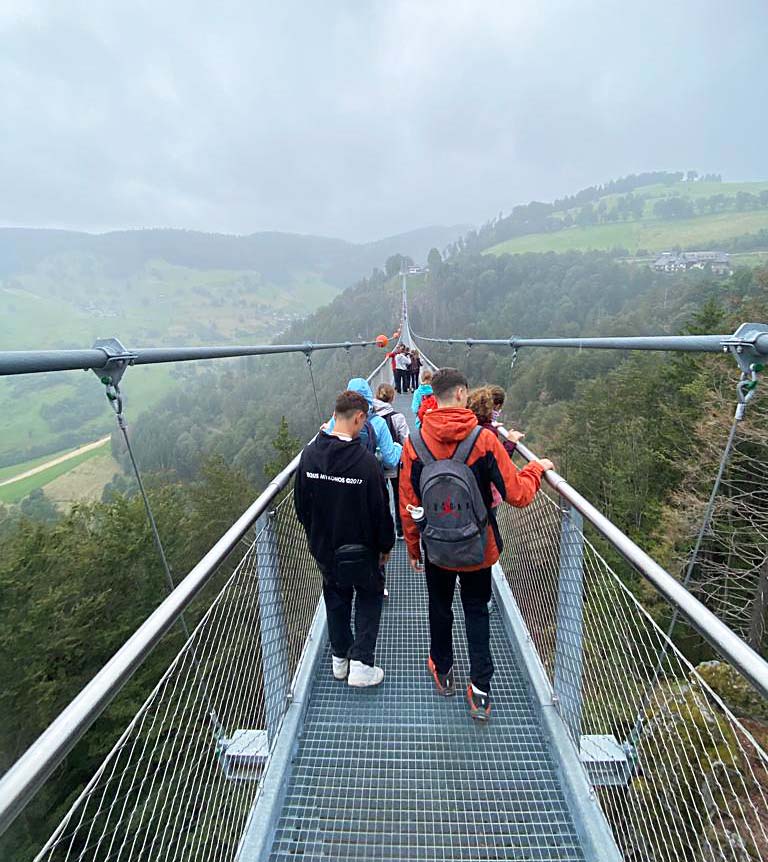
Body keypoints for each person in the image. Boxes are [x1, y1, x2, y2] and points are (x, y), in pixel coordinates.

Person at [399, 368, 554, 721]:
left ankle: (442, 670)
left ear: (432, 396)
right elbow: (518, 494)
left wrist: (413, 548)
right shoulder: (484, 440)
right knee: (476, 610)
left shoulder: (414, 443)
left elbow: (408, 502)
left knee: (439, 607)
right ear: (461, 394)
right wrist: (535, 469)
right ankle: (480, 691)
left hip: (436, 547)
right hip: (477, 547)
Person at [294, 390, 395, 687]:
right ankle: (361, 663)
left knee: (336, 596)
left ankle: (340, 659)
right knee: (369, 595)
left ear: (334, 415)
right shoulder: (366, 463)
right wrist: (385, 545)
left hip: (325, 548)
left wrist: (316, 536)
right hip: (362, 550)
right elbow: (381, 511)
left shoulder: (309, 456)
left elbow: (301, 506)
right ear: (360, 418)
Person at [327, 377, 402, 472]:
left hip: (339, 474)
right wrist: (398, 447)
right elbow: (390, 461)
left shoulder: (337, 420)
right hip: (368, 476)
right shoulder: (379, 423)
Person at [374, 383, 409, 539]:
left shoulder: (369, 418)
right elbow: (406, 441)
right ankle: (400, 531)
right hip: (395, 465)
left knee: (381, 499)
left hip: (377, 466)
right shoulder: (398, 417)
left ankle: (385, 532)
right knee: (399, 496)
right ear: (392, 398)